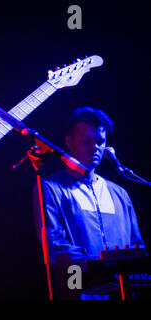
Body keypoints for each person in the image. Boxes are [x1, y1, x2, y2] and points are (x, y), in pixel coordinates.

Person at [32, 106, 145, 299]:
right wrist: (98, 266)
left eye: (100, 141)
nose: (95, 147)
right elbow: (54, 244)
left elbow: (136, 243)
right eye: (87, 141)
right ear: (69, 142)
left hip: (123, 291)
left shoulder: (120, 193)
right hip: (77, 289)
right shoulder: (51, 188)